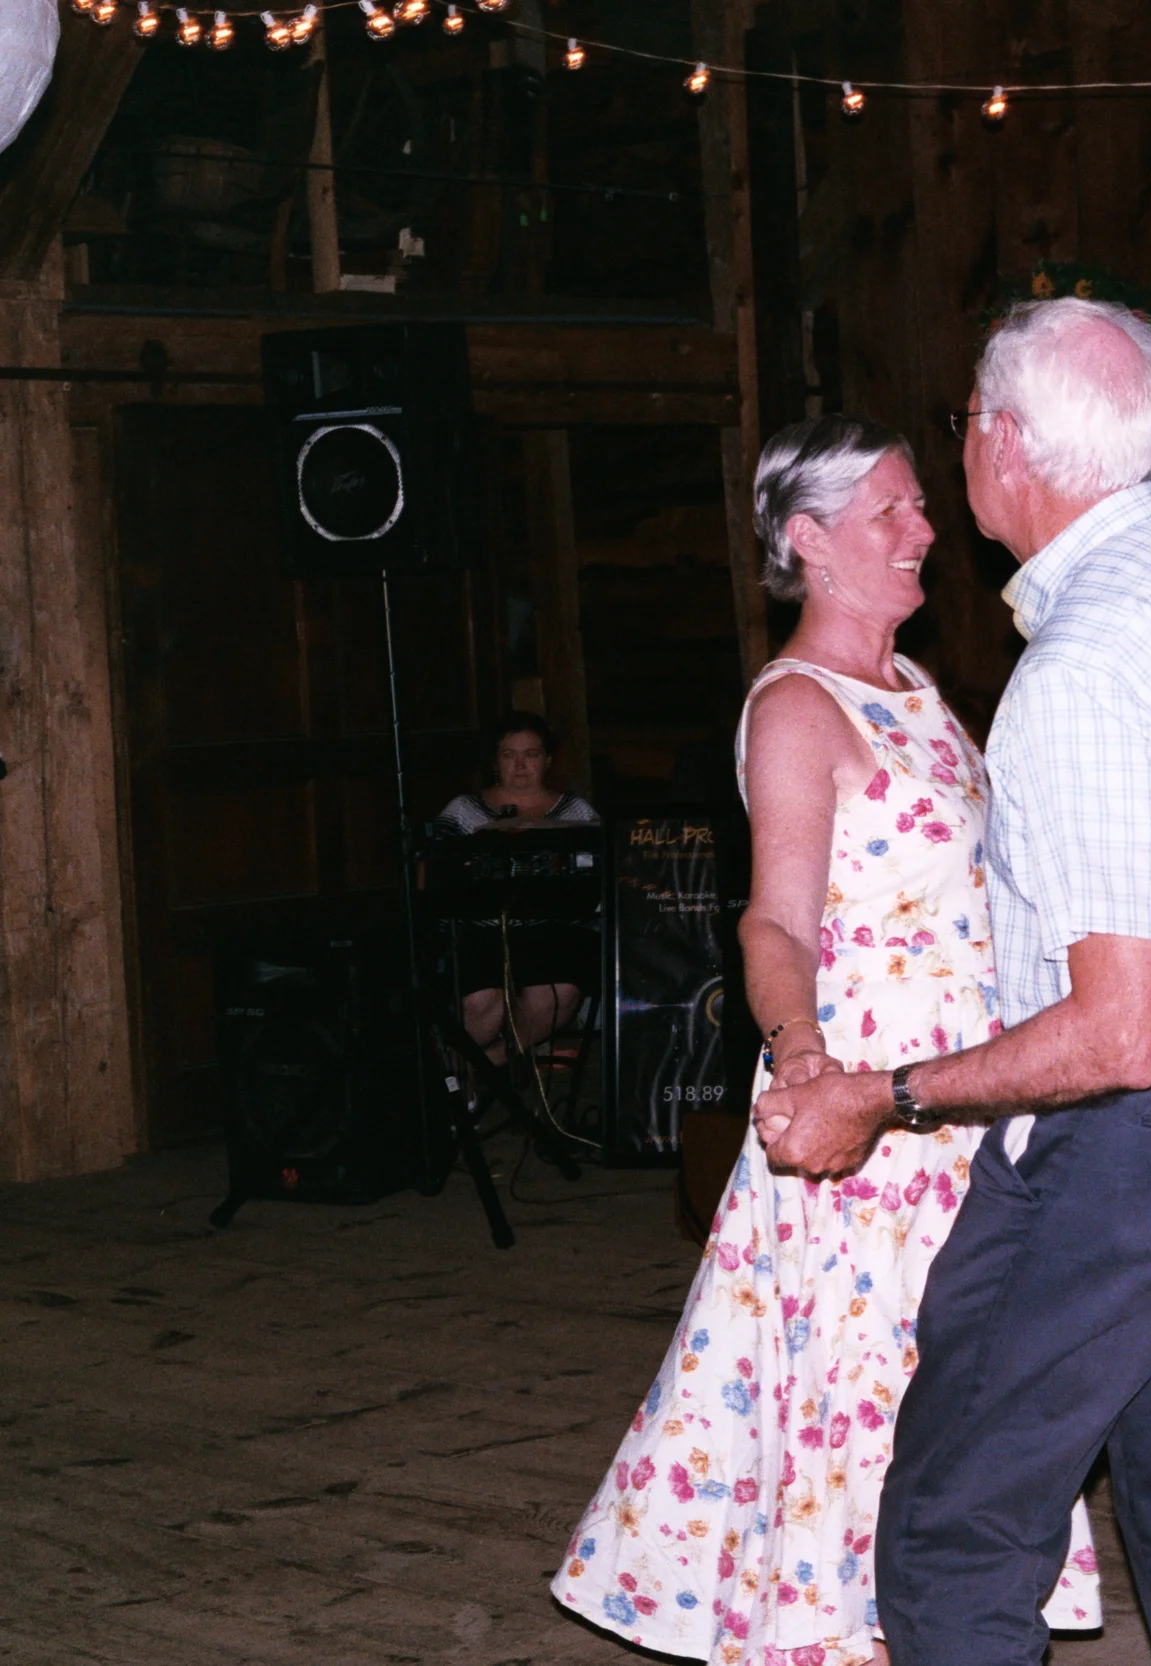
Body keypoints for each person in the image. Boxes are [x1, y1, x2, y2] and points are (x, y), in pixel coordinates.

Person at [753, 298, 1151, 1665]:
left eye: (967, 417)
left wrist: (884, 1093)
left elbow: (1116, 1034)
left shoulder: (1085, 664)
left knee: (955, 1530)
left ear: (1009, 443)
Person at [550, 416, 1099, 1665]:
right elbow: (775, 920)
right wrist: (801, 1051)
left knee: (960, 1398)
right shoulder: (798, 708)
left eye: (919, 505)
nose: (925, 530)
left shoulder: (915, 690)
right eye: (890, 511)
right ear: (807, 539)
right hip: (871, 1119)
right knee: (873, 1412)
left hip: (958, 1103)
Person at [435, 712, 600, 1063]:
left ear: (548, 760)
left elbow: (597, 879)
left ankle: (490, 1064)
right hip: (480, 933)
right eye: (510, 755)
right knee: (482, 1003)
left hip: (553, 932)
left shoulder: (577, 812)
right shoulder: (463, 811)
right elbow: (435, 876)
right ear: (496, 761)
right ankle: (461, 1072)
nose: (520, 765)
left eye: (531, 755)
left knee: (557, 993)